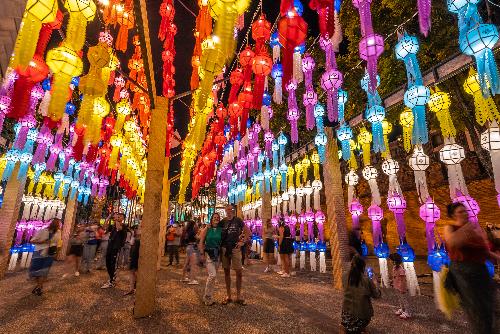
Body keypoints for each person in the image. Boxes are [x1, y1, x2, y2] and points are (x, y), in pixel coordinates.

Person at [443, 202, 499, 334]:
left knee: (491, 305)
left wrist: (495, 256)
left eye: (465, 211)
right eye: (460, 212)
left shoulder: (474, 229)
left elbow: (484, 251)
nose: (465, 213)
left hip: (481, 271)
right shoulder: (450, 228)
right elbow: (452, 242)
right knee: (477, 310)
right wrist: (467, 227)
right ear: (453, 215)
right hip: (464, 273)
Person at [341, 255, 381, 334]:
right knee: (360, 321)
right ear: (363, 266)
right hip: (361, 317)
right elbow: (377, 295)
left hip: (346, 315)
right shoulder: (366, 280)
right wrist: (376, 283)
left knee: (350, 325)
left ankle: (350, 328)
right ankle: (359, 328)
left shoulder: (344, 276)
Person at [220, 204, 250, 305]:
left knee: (239, 272)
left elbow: (247, 231)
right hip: (225, 248)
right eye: (227, 209)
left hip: (235, 249)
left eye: (230, 209)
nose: (229, 211)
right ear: (225, 211)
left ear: (233, 210)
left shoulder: (238, 220)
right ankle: (228, 295)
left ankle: (238, 296)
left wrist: (243, 242)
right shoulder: (222, 222)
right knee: (226, 272)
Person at [28, 218, 61, 296]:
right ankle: (39, 286)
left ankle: (39, 287)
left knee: (41, 270)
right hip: (43, 252)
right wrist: (42, 242)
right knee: (40, 271)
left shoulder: (57, 232)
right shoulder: (44, 231)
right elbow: (32, 240)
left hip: (46, 253)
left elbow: (32, 240)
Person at [199, 213, 222, 305]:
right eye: (214, 217)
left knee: (214, 276)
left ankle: (210, 296)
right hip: (209, 254)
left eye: (217, 218)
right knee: (212, 275)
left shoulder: (221, 230)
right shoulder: (207, 229)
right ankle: (207, 296)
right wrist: (202, 253)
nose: (216, 219)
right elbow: (201, 241)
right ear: (211, 219)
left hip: (217, 255)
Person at [101, 213, 127, 289]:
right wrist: (108, 217)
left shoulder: (124, 226)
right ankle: (111, 278)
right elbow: (104, 227)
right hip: (110, 245)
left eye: (120, 216)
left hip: (116, 247)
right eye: (117, 216)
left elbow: (119, 228)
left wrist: (116, 220)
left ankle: (112, 281)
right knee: (108, 263)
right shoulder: (113, 226)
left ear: (123, 218)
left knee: (113, 264)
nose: (118, 217)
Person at [390, 253, 411, 319]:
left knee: (404, 300)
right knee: (400, 299)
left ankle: (408, 312)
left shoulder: (401, 270)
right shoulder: (394, 268)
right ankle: (402, 309)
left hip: (401, 288)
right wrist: (392, 281)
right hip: (396, 286)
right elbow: (395, 276)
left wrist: (402, 289)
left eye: (391, 260)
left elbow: (403, 281)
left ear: (395, 261)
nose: (390, 261)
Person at [181, 220, 200, 285]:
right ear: (193, 225)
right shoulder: (192, 232)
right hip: (192, 248)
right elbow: (198, 238)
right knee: (193, 264)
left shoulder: (186, 232)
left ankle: (183, 277)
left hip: (188, 247)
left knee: (186, 263)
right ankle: (192, 280)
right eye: (195, 224)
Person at [124, 225, 141, 296]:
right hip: (134, 255)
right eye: (137, 228)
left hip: (140, 256)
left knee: (137, 272)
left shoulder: (144, 238)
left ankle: (137, 288)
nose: (137, 229)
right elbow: (131, 244)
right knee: (132, 271)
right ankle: (131, 288)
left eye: (139, 228)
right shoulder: (135, 237)